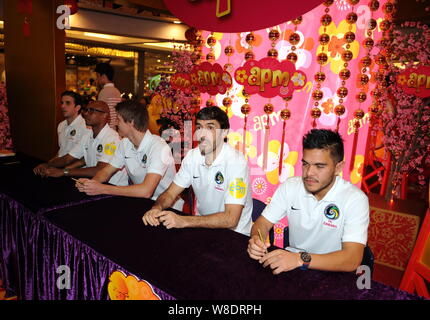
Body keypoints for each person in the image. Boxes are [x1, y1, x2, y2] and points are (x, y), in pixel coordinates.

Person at [247, 129, 369, 274]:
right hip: (293, 265)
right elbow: (263, 223)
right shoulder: (290, 186)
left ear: (338, 168)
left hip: (333, 272)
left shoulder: (355, 199)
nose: (309, 172)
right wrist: (256, 239)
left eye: (319, 166)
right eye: (305, 164)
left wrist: (300, 259)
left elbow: (352, 260)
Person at [142, 106, 253, 236]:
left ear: (224, 133)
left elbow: (231, 219)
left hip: (235, 234)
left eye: (210, 128)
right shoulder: (192, 157)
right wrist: (156, 208)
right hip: (203, 226)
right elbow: (171, 193)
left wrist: (183, 220)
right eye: (199, 127)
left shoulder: (236, 162)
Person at [75, 100, 183, 210]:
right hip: (140, 202)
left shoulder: (159, 147)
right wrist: (91, 184)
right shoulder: (124, 143)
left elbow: (146, 191)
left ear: (131, 122)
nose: (116, 123)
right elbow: (106, 171)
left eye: (118, 119)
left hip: (166, 207)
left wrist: (102, 188)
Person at [38, 101, 128, 186]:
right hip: (94, 183)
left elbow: (100, 170)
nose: (86, 114)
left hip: (113, 187)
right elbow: (68, 158)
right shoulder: (88, 135)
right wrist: (47, 165)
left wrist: (64, 172)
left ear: (104, 115)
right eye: (86, 110)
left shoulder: (112, 138)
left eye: (91, 111)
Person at [33, 91, 89, 175]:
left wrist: (57, 168)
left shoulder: (85, 126)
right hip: (60, 168)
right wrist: (48, 165)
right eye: (62, 103)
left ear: (77, 107)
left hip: (76, 172)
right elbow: (61, 152)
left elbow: (83, 159)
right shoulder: (61, 125)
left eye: (68, 103)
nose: (63, 106)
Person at [95, 62, 121, 129]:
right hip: (115, 129)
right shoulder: (117, 91)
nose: (97, 80)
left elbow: (100, 114)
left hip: (107, 129)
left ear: (103, 76)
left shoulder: (104, 92)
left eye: (98, 76)